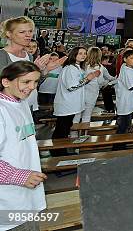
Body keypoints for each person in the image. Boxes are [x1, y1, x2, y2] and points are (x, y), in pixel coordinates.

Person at [0, 61, 46, 231]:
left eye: (35, 82)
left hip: (27, 193)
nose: (32, 87)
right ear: (6, 82)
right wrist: (19, 176)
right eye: (26, 82)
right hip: (7, 197)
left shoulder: (22, 103)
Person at [52, 47, 100, 156]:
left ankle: (60, 151)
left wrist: (89, 79)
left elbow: (80, 84)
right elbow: (71, 86)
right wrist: (89, 78)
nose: (83, 55)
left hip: (72, 103)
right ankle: (58, 153)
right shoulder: (70, 68)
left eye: (84, 53)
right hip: (66, 103)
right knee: (61, 130)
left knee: (65, 128)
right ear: (74, 54)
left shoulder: (78, 68)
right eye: (80, 53)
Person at [74, 47, 112, 124]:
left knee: (77, 115)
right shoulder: (101, 67)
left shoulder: (83, 65)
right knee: (87, 116)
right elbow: (102, 81)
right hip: (92, 94)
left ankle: (73, 135)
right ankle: (83, 134)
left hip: (80, 92)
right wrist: (109, 81)